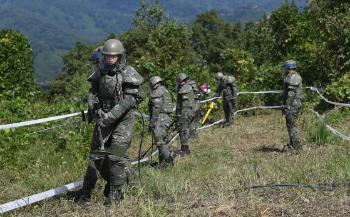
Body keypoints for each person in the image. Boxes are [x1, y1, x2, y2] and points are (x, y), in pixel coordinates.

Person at [67, 39, 144, 206]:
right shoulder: (100, 71)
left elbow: (129, 100)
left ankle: (115, 194)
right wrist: (92, 106)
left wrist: (111, 116)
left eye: (113, 56)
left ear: (120, 55)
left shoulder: (128, 72)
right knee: (95, 157)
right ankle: (85, 192)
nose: (110, 59)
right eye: (107, 55)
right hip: (103, 118)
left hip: (123, 120)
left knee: (116, 157)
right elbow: (93, 91)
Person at [148, 76, 174, 167]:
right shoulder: (165, 90)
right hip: (167, 118)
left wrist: (152, 122)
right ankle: (163, 163)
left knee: (159, 142)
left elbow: (156, 108)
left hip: (160, 119)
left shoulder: (157, 92)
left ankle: (169, 161)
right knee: (163, 141)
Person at [283, 60, 303, 150]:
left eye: (286, 68)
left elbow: (291, 93)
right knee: (290, 124)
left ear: (289, 68)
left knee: (291, 125)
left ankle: (296, 146)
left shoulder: (294, 77)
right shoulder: (292, 76)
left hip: (293, 104)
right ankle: (293, 144)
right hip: (293, 103)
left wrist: (287, 105)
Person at [176, 73, 195, 156]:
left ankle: (185, 149)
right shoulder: (187, 87)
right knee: (184, 130)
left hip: (185, 113)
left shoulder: (185, 89)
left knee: (183, 131)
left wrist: (180, 116)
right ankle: (185, 147)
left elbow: (184, 105)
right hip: (189, 112)